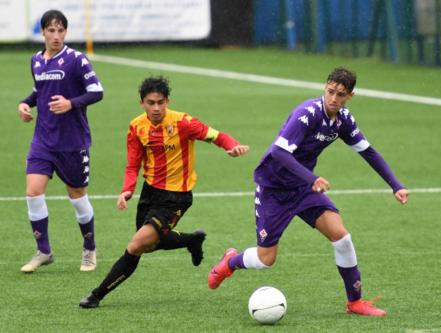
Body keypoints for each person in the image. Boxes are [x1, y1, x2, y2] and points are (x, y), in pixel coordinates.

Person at [207, 67, 410, 316]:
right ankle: (230, 261)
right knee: (265, 260)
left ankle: (355, 302)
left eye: (341, 94)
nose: (334, 98)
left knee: (342, 237)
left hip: (303, 188)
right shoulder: (307, 114)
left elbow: (368, 151)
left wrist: (395, 185)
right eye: (331, 91)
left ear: (350, 96)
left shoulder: (344, 120)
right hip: (274, 189)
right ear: (325, 86)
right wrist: (312, 177)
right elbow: (279, 153)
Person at [79, 75, 249, 308]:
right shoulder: (137, 126)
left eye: (160, 102)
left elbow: (216, 136)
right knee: (150, 244)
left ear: (167, 100)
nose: (156, 108)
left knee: (137, 245)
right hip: (150, 193)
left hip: (176, 197)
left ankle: (96, 295)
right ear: (142, 103)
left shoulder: (183, 122)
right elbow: (132, 164)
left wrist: (233, 146)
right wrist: (126, 190)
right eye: (151, 103)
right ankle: (192, 240)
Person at [17, 10, 104, 273]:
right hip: (43, 140)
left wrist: (71, 103)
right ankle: (43, 251)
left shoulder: (77, 60)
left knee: (76, 196)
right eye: (51, 30)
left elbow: (97, 91)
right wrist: (25, 103)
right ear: (43, 32)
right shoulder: (36, 61)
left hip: (72, 141)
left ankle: (89, 248)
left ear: (65, 32)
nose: (56, 36)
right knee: (33, 192)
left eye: (61, 30)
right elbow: (39, 90)